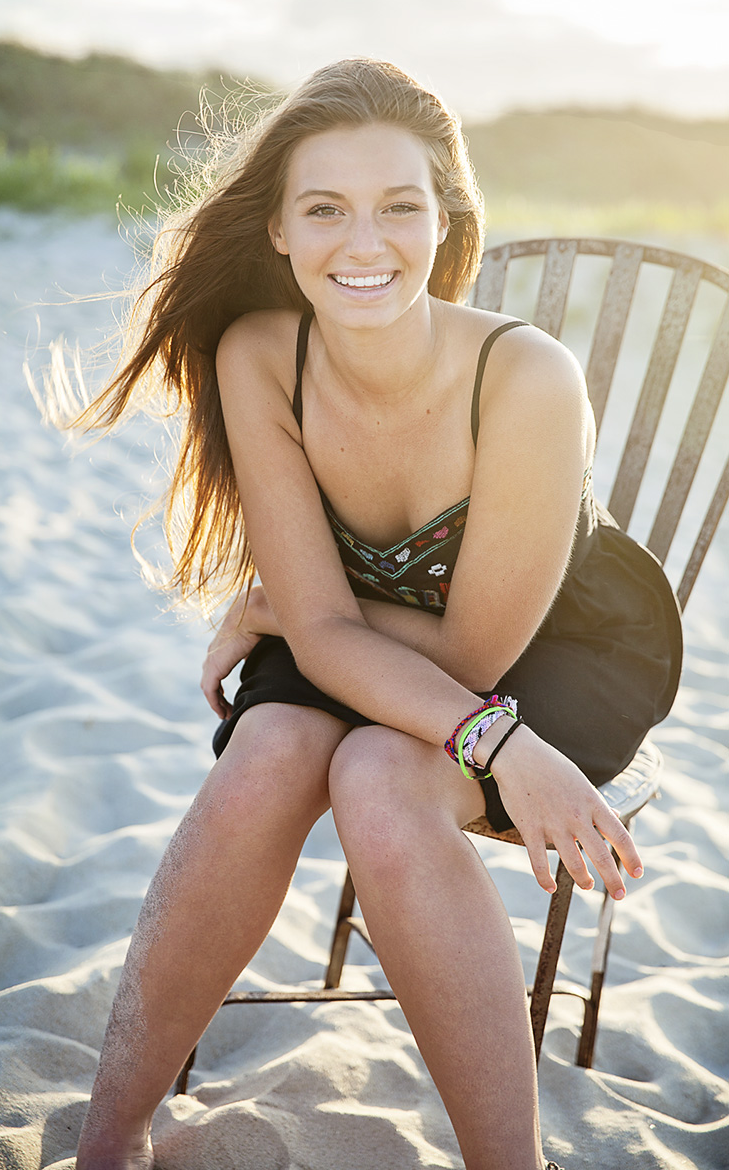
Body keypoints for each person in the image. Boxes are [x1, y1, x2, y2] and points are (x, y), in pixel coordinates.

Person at [67, 58, 682, 1170]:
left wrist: (302, 617)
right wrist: (296, 614)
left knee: (378, 777)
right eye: (326, 209)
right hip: (358, 633)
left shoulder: (527, 377)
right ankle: (112, 1141)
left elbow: (472, 654)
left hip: (553, 647)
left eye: (401, 205)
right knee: (268, 756)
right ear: (281, 235)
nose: (367, 242)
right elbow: (330, 635)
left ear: (444, 217)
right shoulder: (263, 355)